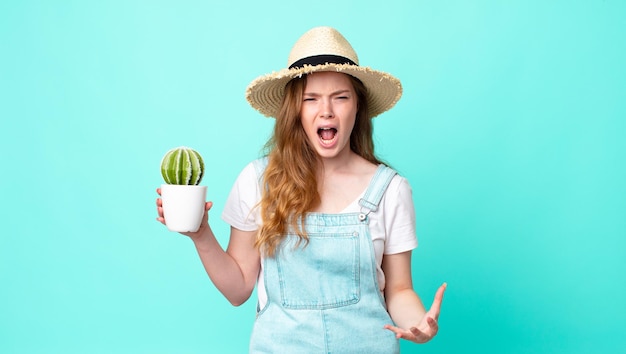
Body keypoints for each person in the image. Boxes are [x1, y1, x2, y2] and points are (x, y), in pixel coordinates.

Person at [156, 26, 446, 353]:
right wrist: (201, 234)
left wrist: (417, 323)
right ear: (296, 109)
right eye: (311, 99)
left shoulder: (391, 189)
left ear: (357, 108)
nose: (326, 111)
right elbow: (238, 290)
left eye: (341, 97)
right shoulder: (257, 181)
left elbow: (399, 289)